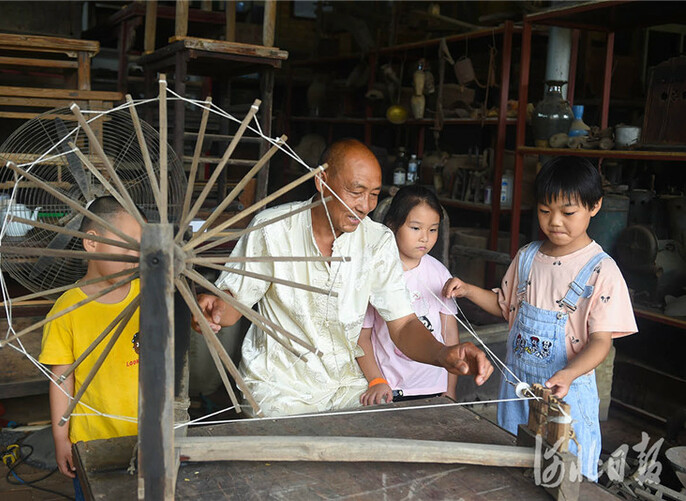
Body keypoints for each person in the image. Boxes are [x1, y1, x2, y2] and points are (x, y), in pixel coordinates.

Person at [196, 139, 493, 417]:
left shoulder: (377, 242)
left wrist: (443, 354)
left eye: (374, 194)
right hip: (277, 389)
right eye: (356, 191)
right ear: (322, 182)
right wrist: (216, 310)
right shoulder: (273, 229)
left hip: (346, 388)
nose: (365, 206)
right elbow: (235, 304)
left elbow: (403, 325)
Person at [442, 157, 637, 480]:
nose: (555, 222)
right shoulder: (528, 257)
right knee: (513, 468)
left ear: (595, 206)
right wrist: (468, 290)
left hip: (565, 394)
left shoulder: (601, 270)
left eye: (568, 212)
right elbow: (505, 306)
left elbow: (601, 341)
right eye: (545, 211)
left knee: (564, 475)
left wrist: (569, 373)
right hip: (515, 390)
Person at [38, 197, 142, 499]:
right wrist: (60, 436)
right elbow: (61, 378)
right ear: (92, 242)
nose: (135, 255)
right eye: (125, 245)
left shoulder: (149, 295)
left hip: (147, 433)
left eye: (140, 246)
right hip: (92, 440)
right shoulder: (67, 309)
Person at [357, 185, 459, 405]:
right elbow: (361, 337)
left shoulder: (440, 273)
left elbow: (450, 336)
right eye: (415, 228)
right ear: (392, 226)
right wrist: (376, 381)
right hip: (390, 388)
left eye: (433, 230)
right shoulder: (378, 273)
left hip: (434, 386)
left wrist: (449, 389)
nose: (425, 238)